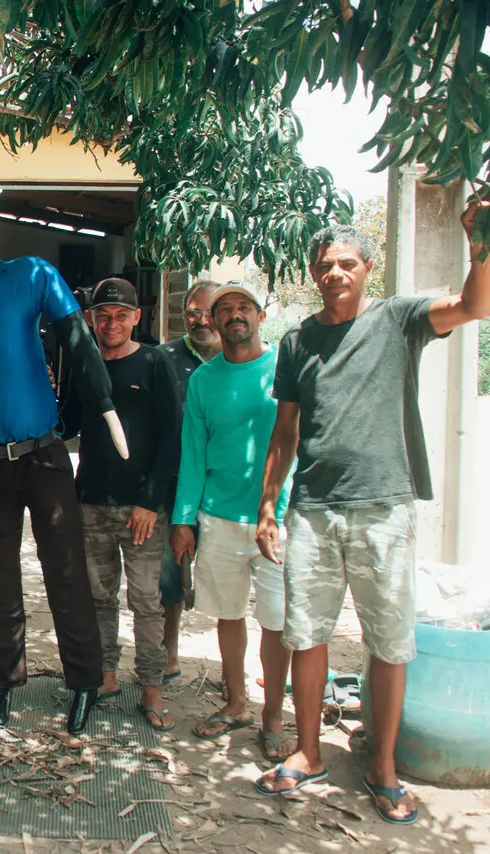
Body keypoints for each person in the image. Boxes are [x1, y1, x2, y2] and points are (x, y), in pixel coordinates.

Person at [252, 204, 490, 824]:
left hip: (384, 507)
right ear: (313, 273)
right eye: (324, 264)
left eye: (346, 263)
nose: (334, 272)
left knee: (388, 642)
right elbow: (285, 433)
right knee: (307, 635)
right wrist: (267, 508)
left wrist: (481, 244)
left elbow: (474, 307)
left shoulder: (400, 319)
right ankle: (309, 752)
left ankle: (382, 769)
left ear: (367, 270)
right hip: (312, 511)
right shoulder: (298, 341)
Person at [0, 200, 126, 734]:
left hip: (45, 453)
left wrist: (102, 403)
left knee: (66, 572)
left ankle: (83, 681)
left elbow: (77, 341)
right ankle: (5, 682)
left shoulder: (34, 274)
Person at [167, 282, 292, 760]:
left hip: (275, 519)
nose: (234, 316)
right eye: (225, 311)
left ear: (260, 316)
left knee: (276, 622)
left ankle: (273, 716)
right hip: (217, 516)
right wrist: (184, 520)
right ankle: (237, 702)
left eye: (243, 308)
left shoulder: (284, 366)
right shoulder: (203, 380)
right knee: (229, 614)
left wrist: (277, 510)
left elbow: (296, 441)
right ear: (214, 322)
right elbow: (193, 455)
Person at [70, 278, 179, 732]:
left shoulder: (154, 363)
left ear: (137, 317)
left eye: (120, 315)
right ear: (92, 319)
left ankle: (151, 688)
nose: (111, 323)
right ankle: (107, 676)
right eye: (102, 314)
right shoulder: (85, 364)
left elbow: (172, 438)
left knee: (146, 601)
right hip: (92, 501)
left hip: (140, 511)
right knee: (98, 598)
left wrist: (151, 501)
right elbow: (68, 423)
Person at [156, 281, 221, 681]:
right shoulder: (163, 359)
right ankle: (170, 649)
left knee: (225, 572)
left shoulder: (239, 358)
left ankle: (230, 664)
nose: (199, 320)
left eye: (207, 311)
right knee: (171, 573)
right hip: (174, 485)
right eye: (192, 311)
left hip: (225, 488)